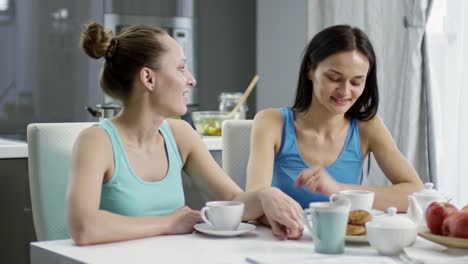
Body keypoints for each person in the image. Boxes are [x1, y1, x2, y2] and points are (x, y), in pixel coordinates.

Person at [66, 22, 303, 246]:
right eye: (181, 68)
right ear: (148, 78)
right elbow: (84, 228)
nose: (192, 79)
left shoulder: (180, 135)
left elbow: (233, 200)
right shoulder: (96, 142)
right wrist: (170, 222)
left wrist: (265, 196)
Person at [246, 25, 423, 212]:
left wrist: (339, 190)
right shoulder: (271, 122)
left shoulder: (368, 126)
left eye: (356, 82)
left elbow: (415, 193)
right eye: (334, 78)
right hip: (281, 238)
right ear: (310, 70)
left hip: (343, 240)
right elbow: (256, 200)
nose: (345, 92)